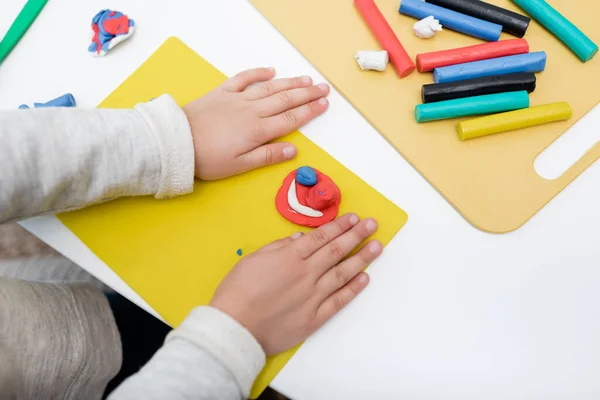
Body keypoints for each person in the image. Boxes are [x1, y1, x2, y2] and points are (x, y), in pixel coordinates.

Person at [0, 67, 382, 399]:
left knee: (97, 296)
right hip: (98, 374)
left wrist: (165, 142)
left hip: (44, 308)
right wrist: (233, 337)